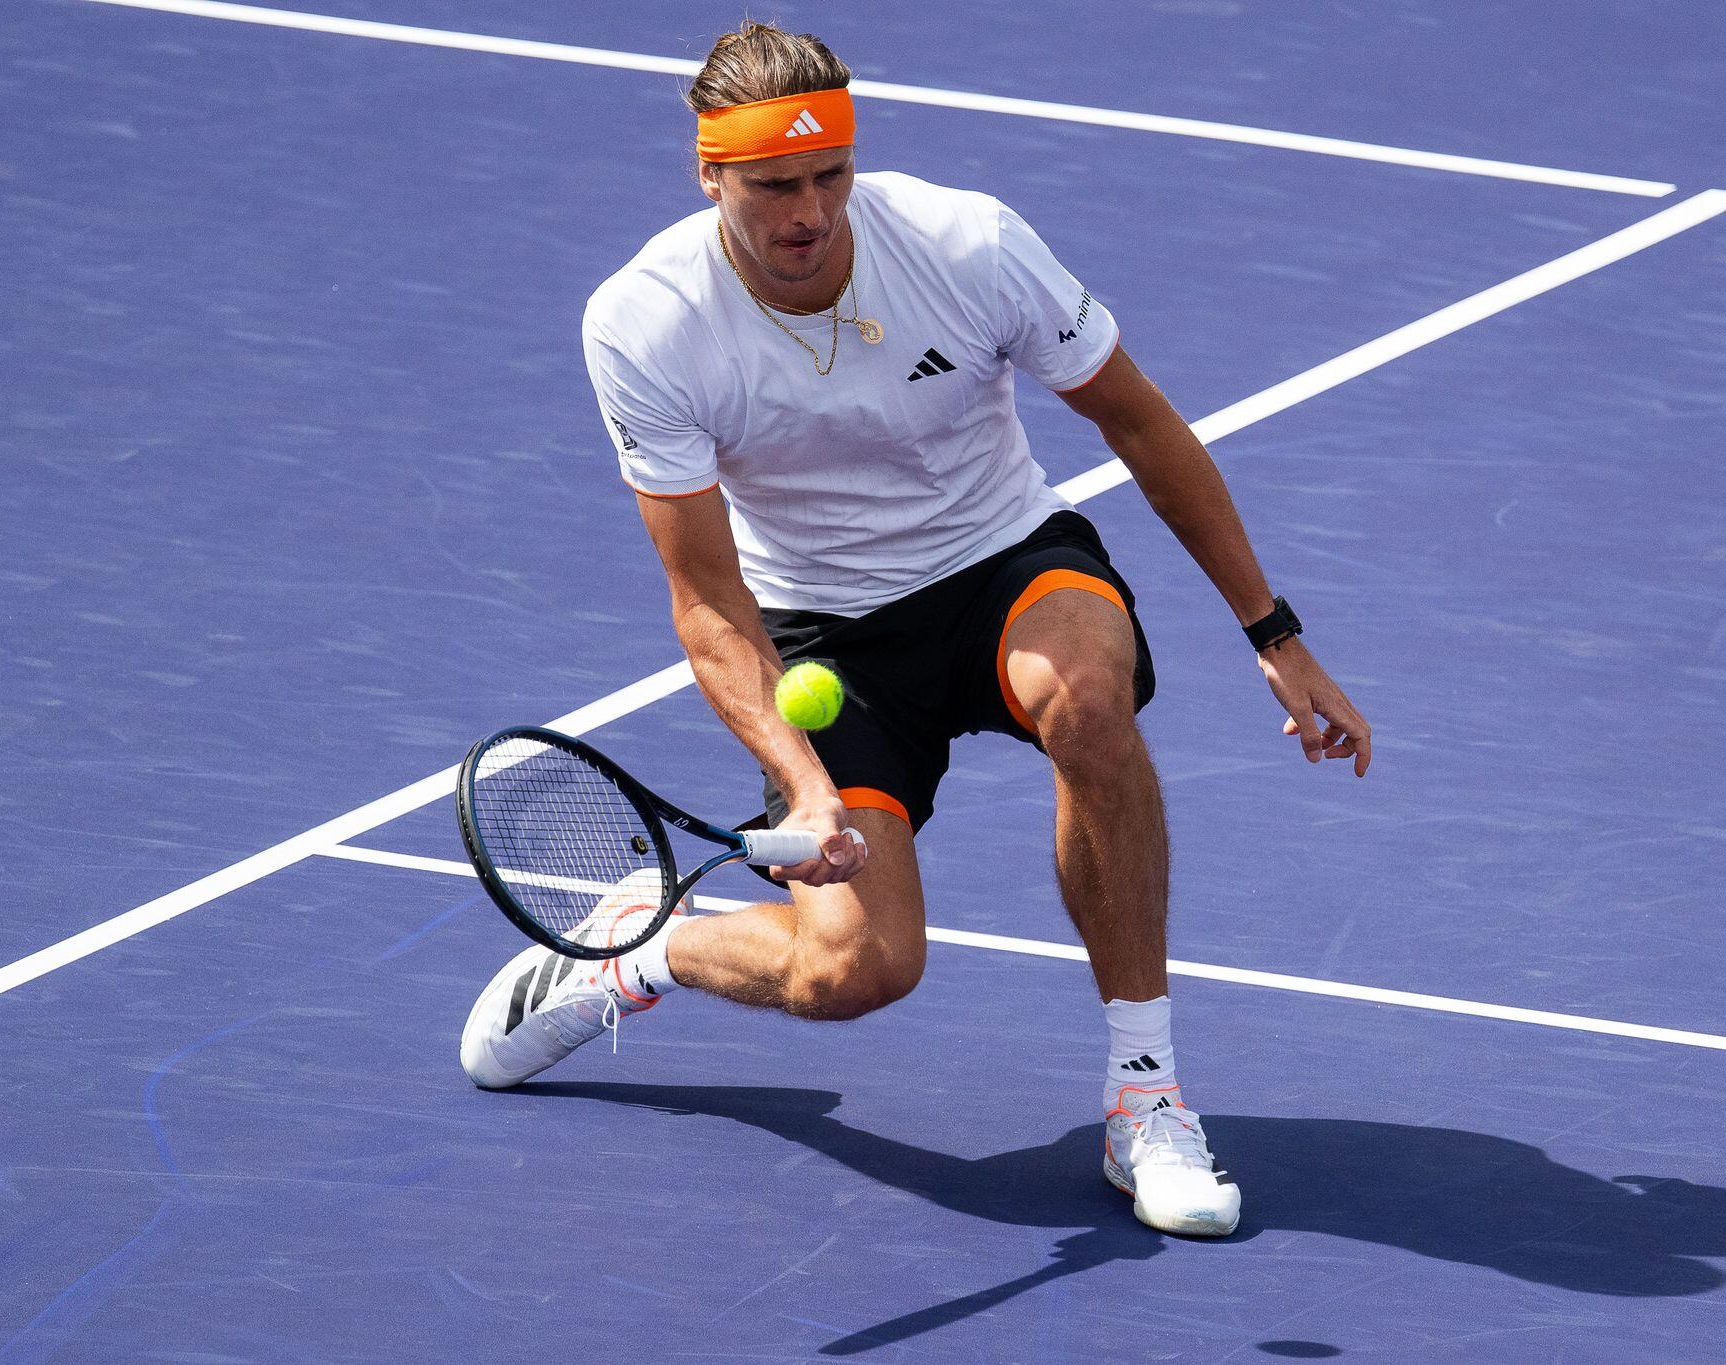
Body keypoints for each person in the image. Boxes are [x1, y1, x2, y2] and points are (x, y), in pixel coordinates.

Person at [459, 21, 1370, 1237]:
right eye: (774, 185)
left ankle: (1144, 1098)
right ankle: (642, 946)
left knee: (1084, 699)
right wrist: (802, 786)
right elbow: (707, 598)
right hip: (821, 639)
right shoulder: (646, 322)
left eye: (829, 174)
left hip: (1001, 562)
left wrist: (1272, 632)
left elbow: (1139, 424)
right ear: (709, 175)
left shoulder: (965, 243)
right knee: (855, 971)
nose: (809, 212)